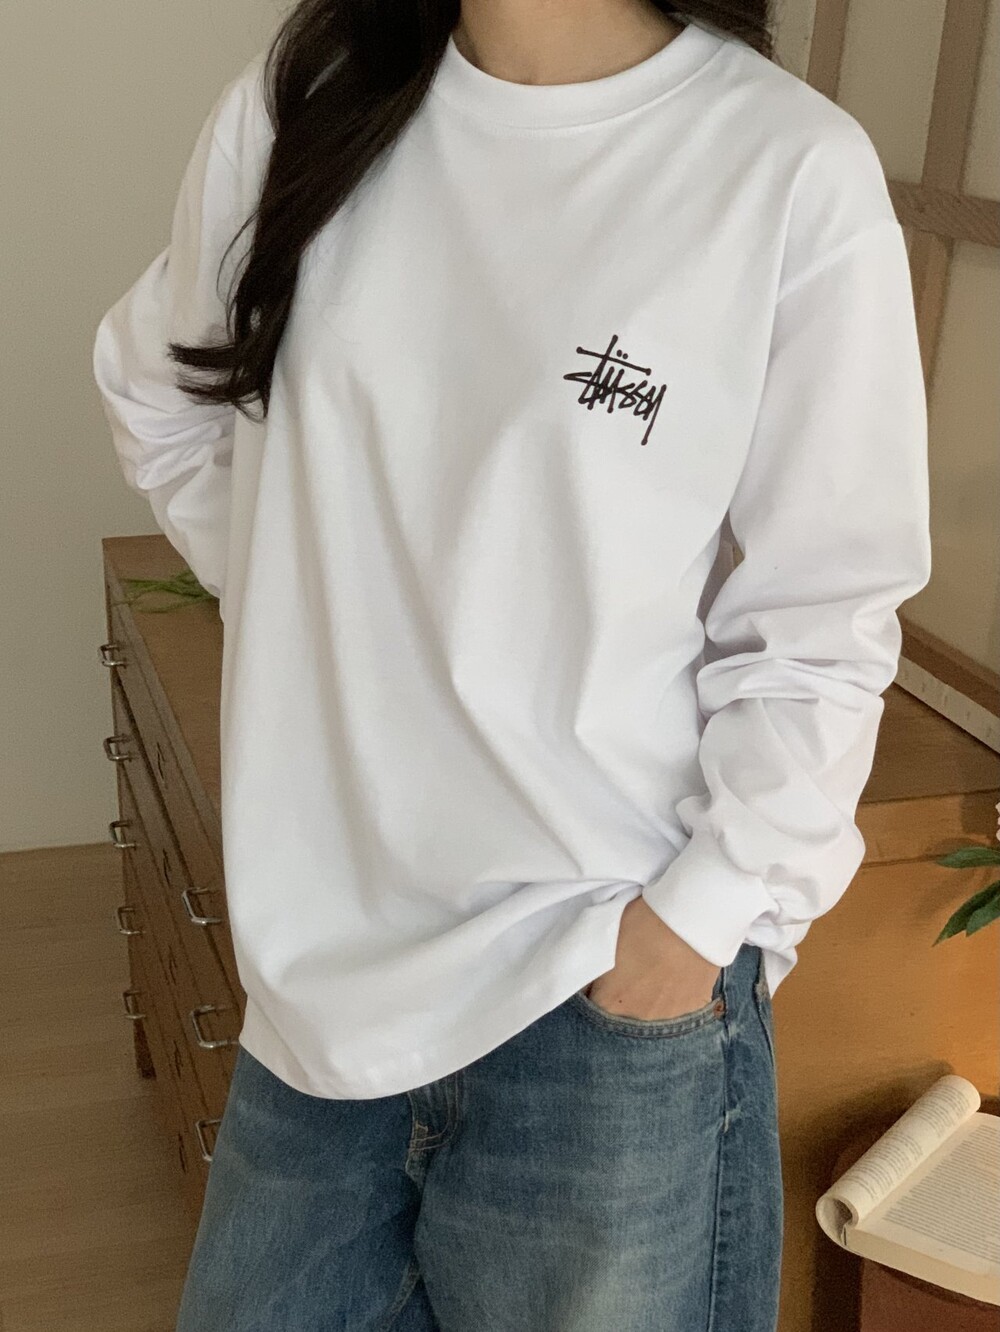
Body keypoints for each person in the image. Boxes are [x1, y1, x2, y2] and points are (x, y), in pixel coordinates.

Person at [91, 1, 932, 1327]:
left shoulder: (781, 166)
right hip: (322, 977)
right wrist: (326, 609)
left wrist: (685, 931)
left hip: (601, 980)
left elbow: (822, 613)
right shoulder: (311, 94)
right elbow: (163, 388)